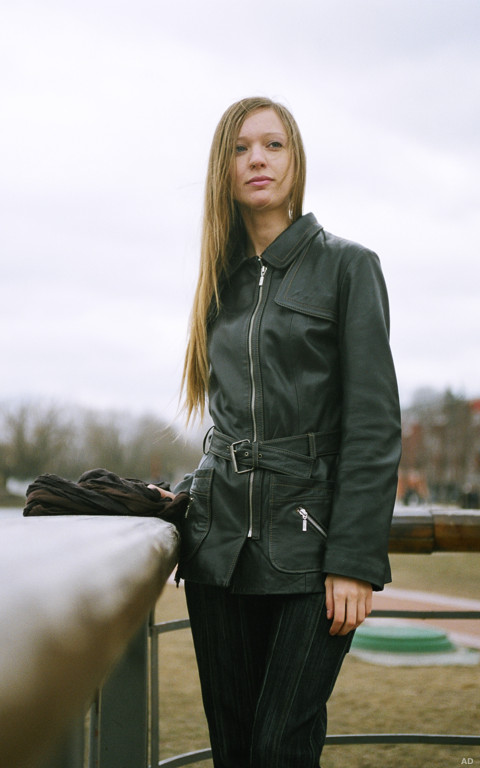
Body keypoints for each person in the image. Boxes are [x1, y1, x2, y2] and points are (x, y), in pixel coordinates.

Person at [160, 96, 401, 768]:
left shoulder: (349, 267)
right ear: (223, 168)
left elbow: (374, 425)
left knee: (279, 749)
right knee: (235, 750)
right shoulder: (219, 281)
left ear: (296, 160)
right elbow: (226, 421)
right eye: (240, 148)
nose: (257, 159)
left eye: (273, 144)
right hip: (219, 549)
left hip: (313, 549)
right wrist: (189, 494)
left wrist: (354, 559)